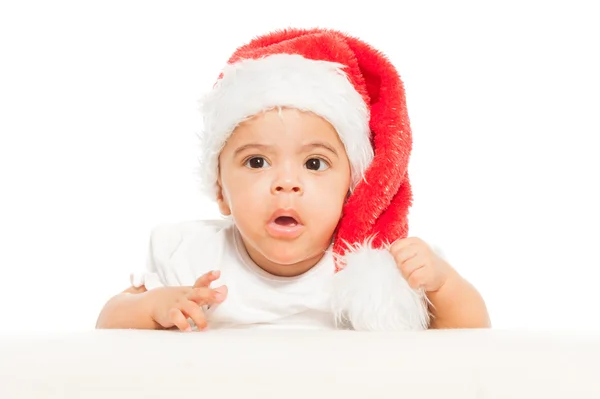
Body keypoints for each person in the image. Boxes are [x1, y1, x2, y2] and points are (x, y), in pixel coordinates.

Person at [96, 28, 490, 332]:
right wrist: (155, 307)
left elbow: (472, 335)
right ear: (220, 191)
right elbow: (108, 322)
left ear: (352, 190)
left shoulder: (373, 270)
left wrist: (443, 286)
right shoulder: (189, 254)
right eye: (256, 161)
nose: (286, 183)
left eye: (315, 164)